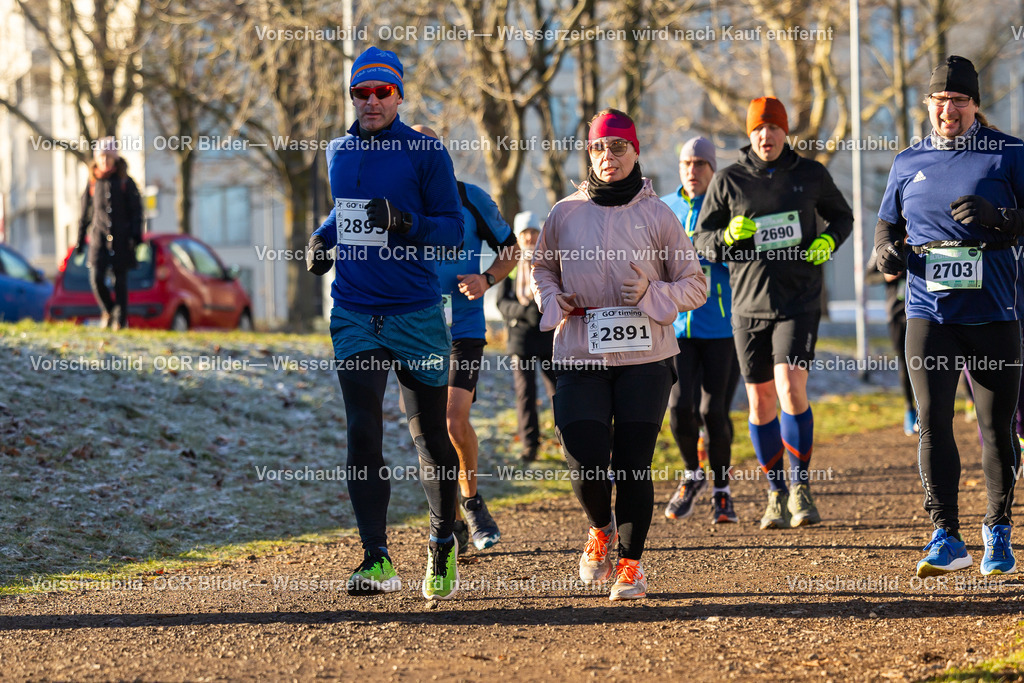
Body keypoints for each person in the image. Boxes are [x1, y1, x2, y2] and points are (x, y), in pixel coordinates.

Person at [306, 47, 465, 600]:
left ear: (399, 95)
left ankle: (442, 541)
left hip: (415, 314)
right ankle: (376, 557)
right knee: (362, 431)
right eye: (361, 92)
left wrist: (404, 221)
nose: (371, 100)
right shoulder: (338, 151)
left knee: (430, 437)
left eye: (382, 91)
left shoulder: (426, 152)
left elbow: (453, 231)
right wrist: (321, 239)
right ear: (352, 96)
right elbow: (343, 210)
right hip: (354, 311)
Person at [532, 109, 707, 600]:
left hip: (646, 358)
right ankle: (600, 527)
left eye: (617, 147)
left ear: (634, 151)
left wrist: (652, 292)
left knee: (632, 464)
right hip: (580, 350)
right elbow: (541, 268)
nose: (607, 156)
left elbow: (695, 285)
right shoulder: (564, 212)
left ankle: (631, 565)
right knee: (582, 456)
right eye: (597, 148)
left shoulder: (658, 215)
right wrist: (554, 299)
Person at [875, 55, 1024, 577]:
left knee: (995, 427)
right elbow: (886, 226)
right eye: (940, 100)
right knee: (933, 422)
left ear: (975, 104)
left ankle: (997, 530)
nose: (949, 110)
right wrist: (886, 253)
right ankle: (947, 536)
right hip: (928, 313)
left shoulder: (1009, 153)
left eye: (959, 100)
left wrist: (1000, 217)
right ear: (928, 104)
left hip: (993, 314)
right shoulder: (907, 161)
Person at [693, 96, 853, 530]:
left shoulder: (810, 174)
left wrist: (828, 241)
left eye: (774, 128)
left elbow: (842, 217)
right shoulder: (729, 180)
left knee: (789, 385)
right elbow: (702, 240)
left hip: (798, 300)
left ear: (785, 132)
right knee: (761, 399)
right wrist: (726, 236)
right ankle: (775, 492)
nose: (767, 136)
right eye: (759, 129)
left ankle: (801, 487)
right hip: (748, 305)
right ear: (750, 134)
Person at [410, 124, 519, 551]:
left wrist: (486, 278)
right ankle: (451, 521)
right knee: (430, 429)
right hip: (415, 332)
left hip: (464, 328)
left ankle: (472, 502)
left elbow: (511, 248)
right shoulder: (398, 205)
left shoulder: (470, 198)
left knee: (454, 419)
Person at [660, 136, 742, 524]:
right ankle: (693, 475)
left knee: (713, 412)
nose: (692, 171)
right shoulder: (664, 208)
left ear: (713, 169)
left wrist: (715, 248)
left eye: (700, 164)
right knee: (679, 409)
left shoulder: (728, 206)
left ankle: (722, 490)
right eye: (686, 164)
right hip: (676, 327)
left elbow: (744, 260)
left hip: (721, 326)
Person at [497, 211, 557, 464]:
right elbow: (501, 302)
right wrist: (525, 311)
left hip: (548, 335)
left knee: (557, 391)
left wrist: (542, 310)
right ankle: (530, 445)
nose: (530, 237)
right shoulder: (509, 263)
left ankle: (566, 439)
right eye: (525, 233)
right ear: (518, 237)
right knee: (525, 394)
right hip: (520, 337)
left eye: (533, 232)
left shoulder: (550, 261)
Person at [76, 137, 143, 331]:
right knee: (96, 278)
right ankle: (109, 310)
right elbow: (84, 214)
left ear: (115, 159)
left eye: (108, 157)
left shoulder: (125, 182)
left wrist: (136, 236)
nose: (105, 161)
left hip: (122, 239)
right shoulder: (92, 183)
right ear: (96, 159)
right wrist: (80, 240)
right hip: (98, 238)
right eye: (102, 157)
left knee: (120, 281)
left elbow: (137, 211)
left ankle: (120, 321)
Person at [865, 254, 915, 436]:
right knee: (905, 363)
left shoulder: (926, 236)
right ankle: (910, 411)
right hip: (898, 314)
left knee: (928, 362)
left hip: (926, 312)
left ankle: (930, 411)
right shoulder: (887, 244)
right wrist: (886, 276)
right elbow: (868, 277)